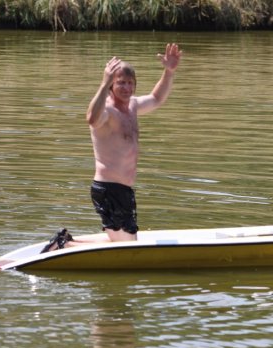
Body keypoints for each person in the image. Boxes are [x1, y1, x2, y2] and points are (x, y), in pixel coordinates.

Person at [41, 43, 182, 253]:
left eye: (130, 83)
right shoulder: (107, 111)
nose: (126, 87)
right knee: (127, 247)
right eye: (120, 83)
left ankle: (66, 241)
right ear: (111, 85)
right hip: (109, 189)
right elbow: (91, 118)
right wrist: (103, 82)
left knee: (126, 243)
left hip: (124, 190)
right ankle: (66, 245)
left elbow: (156, 98)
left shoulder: (133, 106)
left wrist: (169, 71)